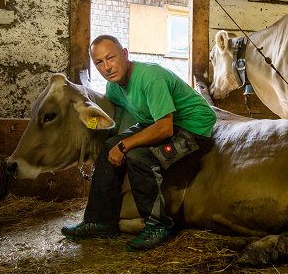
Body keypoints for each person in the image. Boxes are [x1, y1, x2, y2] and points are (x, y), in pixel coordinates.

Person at [61, 35, 217, 251]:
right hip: (156, 122)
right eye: (99, 62)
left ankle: (158, 225)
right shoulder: (114, 87)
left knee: (138, 157)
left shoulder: (151, 77)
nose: (106, 67)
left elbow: (165, 128)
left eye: (111, 58)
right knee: (109, 147)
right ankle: (100, 221)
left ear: (125, 54)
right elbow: (122, 121)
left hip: (192, 126)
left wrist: (126, 146)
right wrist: (115, 143)